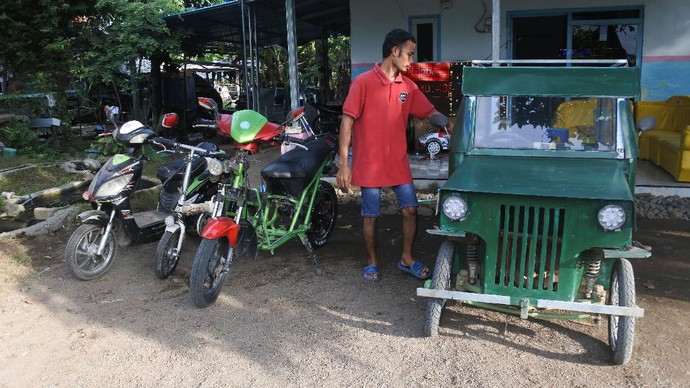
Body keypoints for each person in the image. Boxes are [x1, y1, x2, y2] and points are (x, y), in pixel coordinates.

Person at [336, 28, 448, 282]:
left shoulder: (407, 86)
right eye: (409, 54)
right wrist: (344, 163)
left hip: (397, 162)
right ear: (394, 51)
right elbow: (347, 122)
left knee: (410, 209)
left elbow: (430, 112)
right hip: (369, 163)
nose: (412, 60)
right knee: (370, 215)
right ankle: (372, 263)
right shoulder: (363, 82)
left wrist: (453, 125)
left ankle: (406, 258)